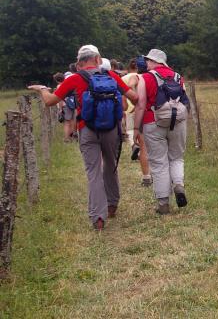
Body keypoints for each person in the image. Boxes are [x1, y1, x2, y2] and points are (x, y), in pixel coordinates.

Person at [28, 44, 138, 230]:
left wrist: (42, 89)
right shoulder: (111, 76)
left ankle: (98, 218)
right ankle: (112, 205)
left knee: (93, 172)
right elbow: (133, 97)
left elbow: (49, 101)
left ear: (79, 62)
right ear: (97, 59)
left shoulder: (75, 79)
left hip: (86, 129)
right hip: (111, 128)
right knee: (111, 165)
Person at [134, 49, 189, 214]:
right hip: (178, 122)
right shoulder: (178, 77)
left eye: (148, 60)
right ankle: (178, 184)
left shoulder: (145, 77)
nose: (146, 63)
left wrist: (136, 128)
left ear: (152, 61)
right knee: (177, 157)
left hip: (153, 122)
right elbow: (184, 100)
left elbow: (141, 104)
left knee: (158, 162)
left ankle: (163, 203)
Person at [121, 58, 152, 186]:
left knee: (139, 142)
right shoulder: (151, 78)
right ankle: (159, 174)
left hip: (132, 111)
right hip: (148, 113)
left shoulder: (125, 78)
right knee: (153, 146)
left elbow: (122, 96)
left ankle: (146, 177)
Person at [53, 72, 76, 142]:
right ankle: (72, 137)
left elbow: (60, 98)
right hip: (72, 104)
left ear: (56, 80)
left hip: (65, 105)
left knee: (66, 122)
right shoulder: (69, 84)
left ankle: (66, 138)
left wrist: (60, 108)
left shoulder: (59, 86)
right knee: (72, 120)